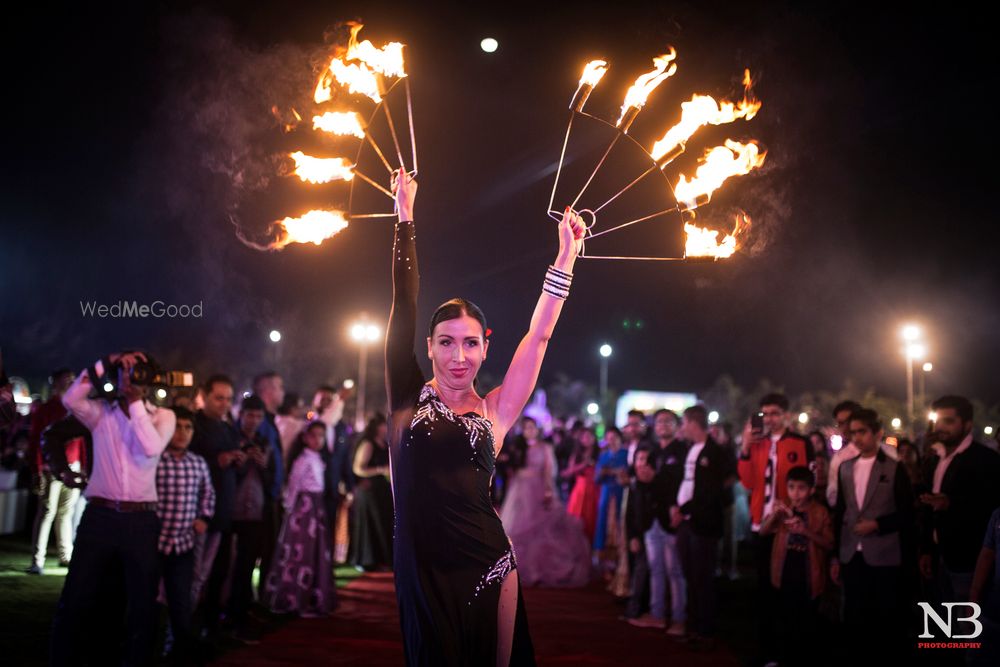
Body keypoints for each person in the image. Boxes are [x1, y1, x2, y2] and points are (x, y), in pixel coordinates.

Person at [385, 168, 586, 665]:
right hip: (420, 565)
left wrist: (565, 257)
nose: (459, 356)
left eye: (470, 343)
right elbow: (403, 300)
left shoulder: (496, 409)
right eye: (447, 342)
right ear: (428, 347)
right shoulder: (406, 395)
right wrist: (405, 215)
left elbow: (538, 337)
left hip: (489, 564)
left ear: (484, 346)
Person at [51, 351, 176, 666]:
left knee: (141, 601)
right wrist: (107, 361)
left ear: (148, 381)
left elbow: (150, 447)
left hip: (141, 520)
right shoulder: (100, 413)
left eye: (136, 374)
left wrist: (134, 403)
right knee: (76, 595)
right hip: (100, 517)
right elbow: (69, 399)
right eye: (124, 373)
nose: (130, 379)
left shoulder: (164, 417)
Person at [830, 408, 914, 662]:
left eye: (862, 432)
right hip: (850, 552)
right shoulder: (845, 468)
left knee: (884, 616)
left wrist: (877, 524)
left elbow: (907, 513)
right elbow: (841, 513)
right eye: (853, 432)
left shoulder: (894, 468)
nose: (856, 437)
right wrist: (835, 555)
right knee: (854, 614)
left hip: (884, 554)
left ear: (877, 433)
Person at [737, 393, 814, 665]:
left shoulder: (800, 443)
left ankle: (790, 650)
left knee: (789, 589)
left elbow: (808, 482)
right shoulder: (756, 444)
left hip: (789, 527)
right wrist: (746, 446)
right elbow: (746, 482)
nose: (769, 418)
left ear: (786, 416)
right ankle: (767, 650)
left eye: (774, 413)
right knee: (764, 591)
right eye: (765, 414)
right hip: (762, 524)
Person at [918, 396, 1000, 616]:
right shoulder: (936, 458)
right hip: (938, 556)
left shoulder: (985, 459)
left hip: (968, 560)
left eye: (949, 421)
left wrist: (951, 504)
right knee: (943, 624)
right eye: (938, 421)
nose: (941, 427)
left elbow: (990, 511)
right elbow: (928, 505)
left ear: (967, 424)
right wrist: (926, 549)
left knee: (968, 628)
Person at [500, 416, 590, 587]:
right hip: (519, 491)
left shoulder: (545, 448)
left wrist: (549, 490)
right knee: (514, 529)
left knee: (541, 530)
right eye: (526, 428)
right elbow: (511, 469)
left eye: (532, 427)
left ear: (538, 429)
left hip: (537, 489)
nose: (530, 431)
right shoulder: (518, 447)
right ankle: (514, 569)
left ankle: (538, 570)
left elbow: (549, 471)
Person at [674, 405, 736, 650]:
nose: (682, 427)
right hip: (687, 522)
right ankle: (693, 626)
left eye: (683, 422)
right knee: (690, 575)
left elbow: (711, 491)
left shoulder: (715, 451)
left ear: (692, 422)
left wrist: (685, 510)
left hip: (703, 524)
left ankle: (706, 630)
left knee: (703, 578)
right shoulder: (692, 450)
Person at [156, 406, 215, 662]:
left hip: (183, 545)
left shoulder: (198, 463)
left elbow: (209, 494)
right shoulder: (155, 459)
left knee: (180, 601)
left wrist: (204, 517)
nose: (182, 433)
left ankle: (179, 650)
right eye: (177, 427)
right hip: (153, 544)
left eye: (187, 427)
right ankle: (146, 646)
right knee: (147, 601)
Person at [760, 466, 832, 666]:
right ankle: (782, 658)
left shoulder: (820, 511)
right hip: (784, 572)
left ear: (811, 490)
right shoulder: (783, 508)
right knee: (784, 619)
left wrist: (805, 531)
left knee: (806, 622)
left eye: (801, 488)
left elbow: (829, 543)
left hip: (809, 573)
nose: (795, 493)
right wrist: (775, 515)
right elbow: (763, 532)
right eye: (791, 487)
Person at [188, 373, 242, 634]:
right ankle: (185, 629)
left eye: (228, 399)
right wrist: (217, 460)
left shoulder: (230, 429)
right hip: (196, 513)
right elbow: (188, 460)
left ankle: (208, 626)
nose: (224, 404)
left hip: (224, 511)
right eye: (218, 398)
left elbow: (231, 470)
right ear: (204, 396)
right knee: (193, 576)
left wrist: (238, 461)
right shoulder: (193, 427)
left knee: (218, 573)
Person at [264, 420, 334, 616]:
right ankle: (294, 597)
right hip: (303, 511)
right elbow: (293, 486)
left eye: (321, 435)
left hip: (316, 508)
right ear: (305, 438)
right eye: (314, 435)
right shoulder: (302, 460)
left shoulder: (318, 458)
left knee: (314, 551)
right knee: (300, 551)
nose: (318, 440)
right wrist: (289, 508)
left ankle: (311, 596)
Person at [630, 411, 688, 634]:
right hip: (651, 519)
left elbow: (679, 485)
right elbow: (644, 485)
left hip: (672, 518)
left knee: (675, 571)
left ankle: (679, 618)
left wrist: (654, 481)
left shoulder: (682, 451)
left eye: (668, 421)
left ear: (677, 426)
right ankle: (657, 614)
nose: (662, 425)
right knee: (656, 570)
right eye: (659, 421)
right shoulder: (652, 452)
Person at [228, 394, 277, 639]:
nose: (254, 421)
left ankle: (241, 614)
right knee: (224, 567)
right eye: (250, 415)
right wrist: (243, 461)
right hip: (230, 511)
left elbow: (271, 483)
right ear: (241, 415)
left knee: (247, 566)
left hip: (256, 513)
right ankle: (222, 616)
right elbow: (227, 478)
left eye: (258, 416)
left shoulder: (264, 442)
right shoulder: (230, 440)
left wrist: (262, 465)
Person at [27, 368, 81, 574]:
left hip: (73, 465)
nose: (70, 383)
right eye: (66, 380)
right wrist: (38, 468)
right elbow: (35, 440)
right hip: (53, 467)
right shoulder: (48, 409)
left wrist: (82, 464)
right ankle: (37, 560)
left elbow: (82, 440)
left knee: (65, 513)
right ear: (56, 383)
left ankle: (65, 555)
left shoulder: (73, 407)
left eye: (72, 380)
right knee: (47, 512)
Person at [826, 400, 897, 507]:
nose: (846, 427)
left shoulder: (888, 453)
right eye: (840, 423)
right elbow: (833, 493)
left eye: (849, 421)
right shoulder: (840, 459)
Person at [350, 413, 394, 571]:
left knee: (382, 524)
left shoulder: (384, 442)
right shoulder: (368, 444)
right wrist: (380, 470)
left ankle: (381, 559)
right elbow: (358, 468)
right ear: (377, 427)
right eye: (384, 425)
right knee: (370, 525)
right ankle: (366, 560)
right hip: (369, 491)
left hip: (381, 491)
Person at [594, 427, 629, 566]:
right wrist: (604, 473)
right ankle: (602, 557)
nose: (611, 441)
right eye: (609, 438)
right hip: (606, 493)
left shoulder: (626, 454)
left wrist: (614, 472)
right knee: (603, 523)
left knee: (620, 522)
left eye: (614, 437)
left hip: (621, 492)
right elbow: (596, 479)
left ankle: (620, 557)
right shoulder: (604, 455)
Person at [563, 427, 599, 543]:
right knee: (577, 518)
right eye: (584, 437)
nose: (586, 439)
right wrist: (584, 464)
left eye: (589, 436)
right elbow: (569, 471)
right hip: (580, 490)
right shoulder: (577, 454)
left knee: (593, 519)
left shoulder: (599, 453)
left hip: (595, 490)